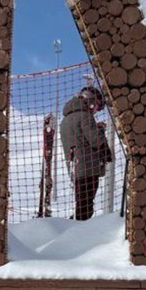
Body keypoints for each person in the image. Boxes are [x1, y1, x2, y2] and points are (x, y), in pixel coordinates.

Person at [60, 86, 111, 221]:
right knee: (86, 206)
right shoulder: (84, 116)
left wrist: (97, 127)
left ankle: (76, 227)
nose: (95, 111)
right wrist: (105, 150)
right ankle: (78, 231)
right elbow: (94, 139)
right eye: (97, 107)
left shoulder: (66, 119)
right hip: (88, 168)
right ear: (91, 101)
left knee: (81, 203)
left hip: (76, 168)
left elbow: (80, 137)